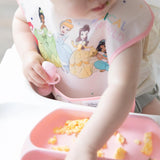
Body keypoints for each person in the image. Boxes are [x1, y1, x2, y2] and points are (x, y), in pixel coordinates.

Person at [12, 0, 160, 159]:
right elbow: (22, 21)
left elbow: (122, 87)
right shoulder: (37, 3)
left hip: (133, 103)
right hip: (61, 100)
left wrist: (86, 147)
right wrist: (29, 54)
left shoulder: (123, 15)